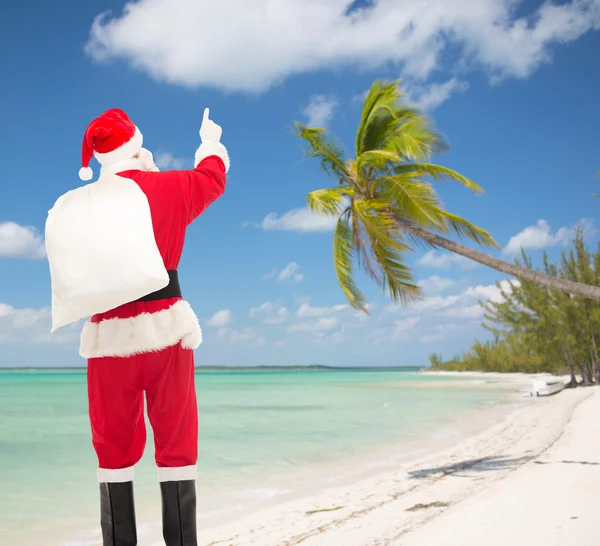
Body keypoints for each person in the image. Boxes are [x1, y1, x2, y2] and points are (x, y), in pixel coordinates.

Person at [47, 107, 229, 546]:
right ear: (137, 146)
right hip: (167, 331)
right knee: (177, 444)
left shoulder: (76, 205)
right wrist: (210, 144)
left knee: (112, 451)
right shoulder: (167, 187)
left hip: (108, 340)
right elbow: (213, 178)